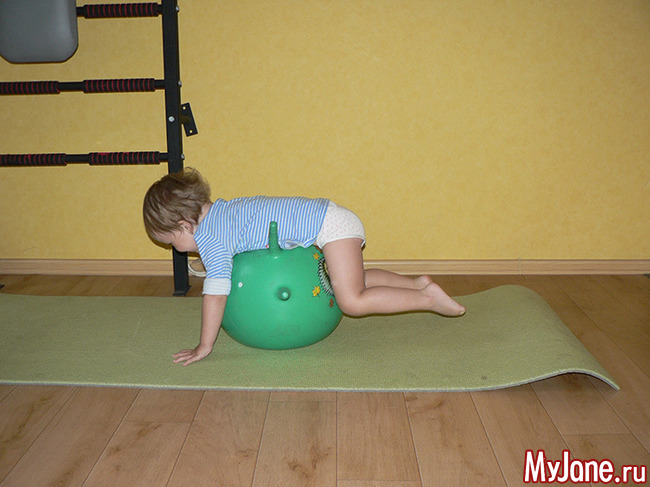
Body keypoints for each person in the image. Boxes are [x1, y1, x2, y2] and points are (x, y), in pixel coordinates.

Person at [143, 168, 466, 366]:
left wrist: (205, 345)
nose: (176, 249)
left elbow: (215, 295)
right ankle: (416, 284)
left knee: (352, 301)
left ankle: (428, 299)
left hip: (331, 228)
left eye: (171, 242)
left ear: (184, 226)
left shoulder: (211, 237)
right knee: (352, 281)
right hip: (333, 217)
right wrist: (205, 261)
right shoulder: (224, 213)